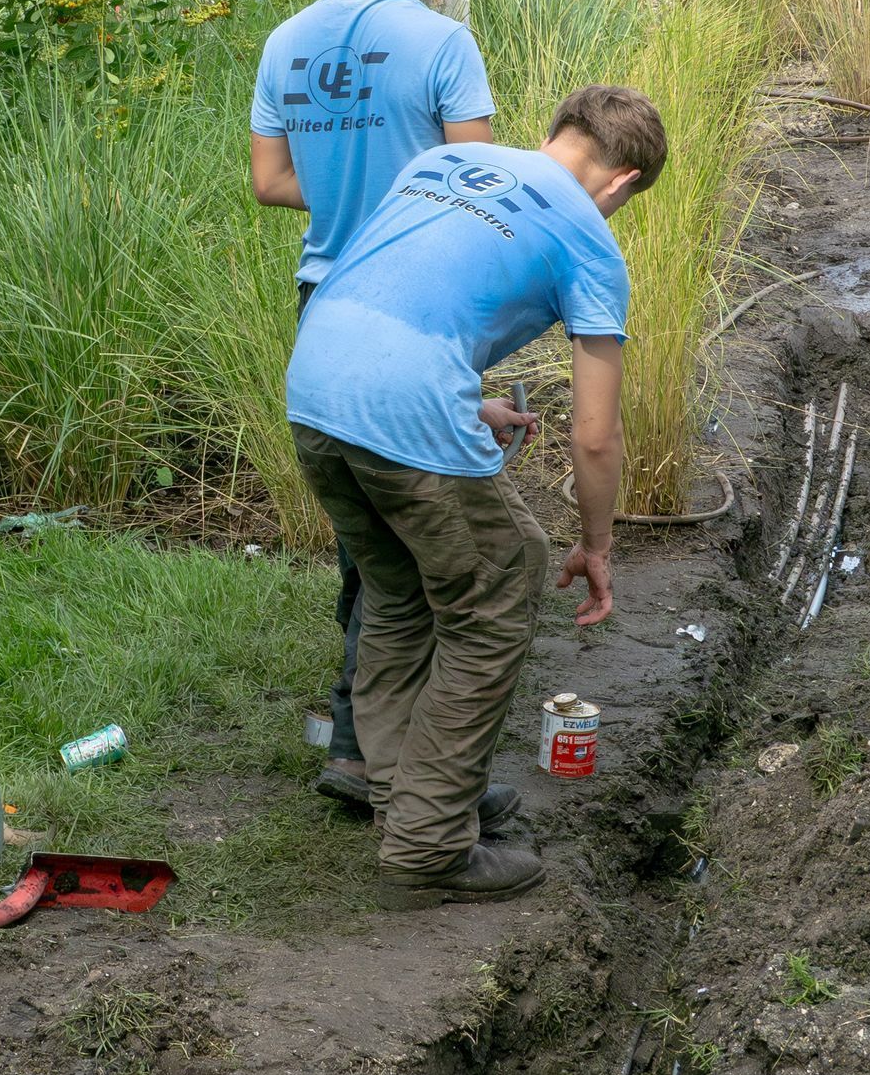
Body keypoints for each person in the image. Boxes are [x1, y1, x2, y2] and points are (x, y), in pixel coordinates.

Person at [285, 85, 668, 910]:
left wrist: (466, 405)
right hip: (397, 409)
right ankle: (427, 845)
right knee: (500, 584)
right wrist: (595, 547)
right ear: (622, 182)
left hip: (313, 392)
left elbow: (395, 295)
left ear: (556, 135)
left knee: (398, 593)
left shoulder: (446, 160)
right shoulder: (592, 242)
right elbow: (596, 435)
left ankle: (412, 793)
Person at [251, 0, 495, 812]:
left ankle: (358, 740)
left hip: (325, 311)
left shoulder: (287, 41)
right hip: (417, 308)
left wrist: (352, 178)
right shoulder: (442, 45)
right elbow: (481, 191)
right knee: (435, 543)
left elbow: (271, 182)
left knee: (366, 542)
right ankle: (399, 755)